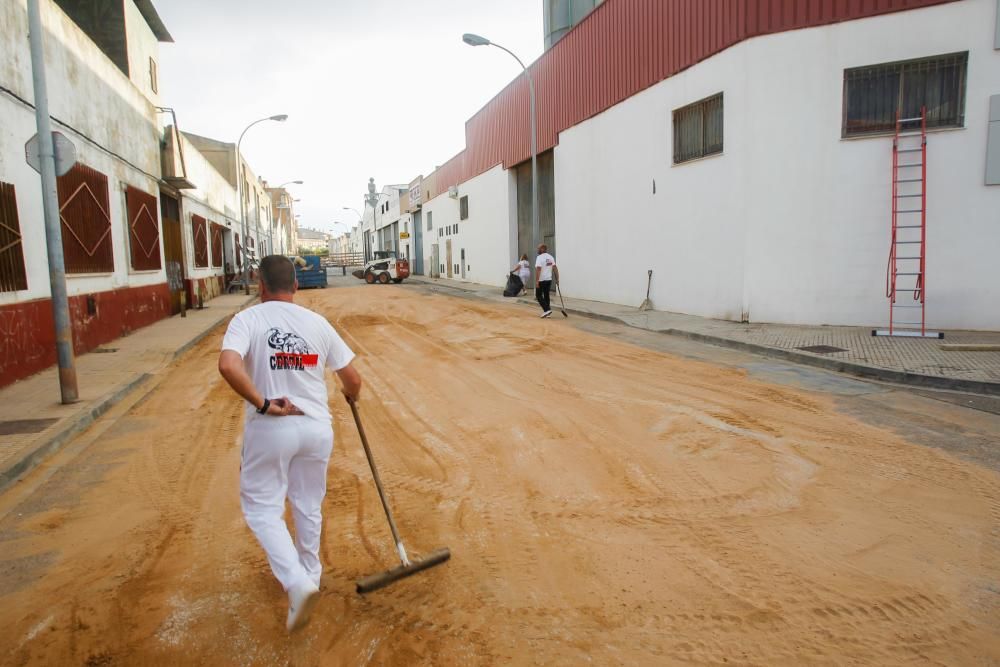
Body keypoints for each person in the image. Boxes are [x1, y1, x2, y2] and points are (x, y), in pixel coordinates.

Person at [218, 255, 362, 633]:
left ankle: (298, 585)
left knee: (263, 508)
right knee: (307, 503)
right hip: (316, 429)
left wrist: (264, 403)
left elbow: (229, 366)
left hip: (273, 426)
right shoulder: (317, 323)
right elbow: (353, 380)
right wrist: (350, 394)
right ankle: (310, 576)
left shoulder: (247, 319)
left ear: (259, 285)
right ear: (296, 286)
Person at [534, 244, 558, 318]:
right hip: (548, 279)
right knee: (546, 295)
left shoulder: (539, 257)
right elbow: (555, 268)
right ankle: (548, 312)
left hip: (541, 280)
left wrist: (537, 281)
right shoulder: (550, 257)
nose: (537, 249)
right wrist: (557, 279)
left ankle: (546, 310)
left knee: (538, 295)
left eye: (538, 248)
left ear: (542, 249)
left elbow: (538, 269)